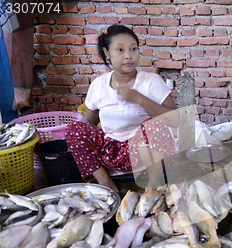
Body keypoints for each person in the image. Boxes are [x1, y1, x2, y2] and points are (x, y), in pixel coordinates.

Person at [66, 25, 180, 192]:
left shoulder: (151, 81)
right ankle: (106, 184)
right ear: (107, 53)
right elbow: (89, 121)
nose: (128, 55)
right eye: (120, 50)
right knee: (74, 130)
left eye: (133, 49)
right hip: (110, 150)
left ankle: (153, 188)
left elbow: (176, 120)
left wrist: (139, 99)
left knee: (155, 126)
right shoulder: (99, 85)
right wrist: (78, 143)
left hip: (144, 152)